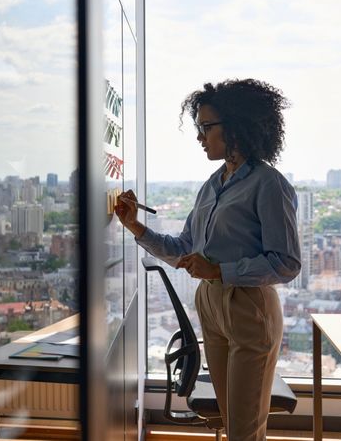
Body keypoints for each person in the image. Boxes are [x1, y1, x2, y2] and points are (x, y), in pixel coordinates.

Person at [114, 78, 301, 441]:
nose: (200, 136)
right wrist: (136, 226)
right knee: (233, 423)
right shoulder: (212, 185)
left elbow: (286, 263)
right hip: (211, 304)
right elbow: (185, 246)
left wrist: (219, 269)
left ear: (234, 126)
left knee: (245, 430)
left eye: (206, 127)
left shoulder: (268, 184)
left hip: (249, 307)